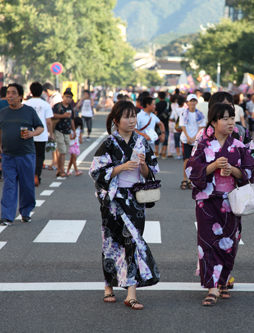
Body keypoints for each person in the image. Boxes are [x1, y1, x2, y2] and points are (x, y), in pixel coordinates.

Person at [89, 100, 160, 310]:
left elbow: (152, 172)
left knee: (133, 242)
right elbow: (96, 171)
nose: (132, 120)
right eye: (127, 116)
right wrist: (121, 167)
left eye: (134, 116)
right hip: (114, 199)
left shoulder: (143, 141)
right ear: (116, 120)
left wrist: (144, 165)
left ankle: (131, 292)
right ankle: (109, 284)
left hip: (135, 200)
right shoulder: (109, 143)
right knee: (112, 241)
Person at [186, 103, 254, 306]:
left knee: (229, 244)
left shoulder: (240, 146)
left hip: (231, 202)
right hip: (207, 202)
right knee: (207, 243)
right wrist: (213, 166)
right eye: (225, 118)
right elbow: (191, 170)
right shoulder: (203, 145)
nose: (230, 122)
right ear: (214, 122)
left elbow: (251, 170)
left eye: (232, 118)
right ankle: (212, 287)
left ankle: (223, 280)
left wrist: (234, 171)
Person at [0, 83, 44, 226]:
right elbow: (0, 130)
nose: (9, 95)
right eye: (8, 93)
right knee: (9, 185)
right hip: (8, 155)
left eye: (13, 93)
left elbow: (40, 127)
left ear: (20, 96)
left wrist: (32, 133)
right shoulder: (3, 112)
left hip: (26, 154)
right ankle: (7, 216)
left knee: (27, 185)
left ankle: (25, 212)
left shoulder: (29, 111)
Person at [23, 82, 54, 187]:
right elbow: (49, 121)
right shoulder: (45, 104)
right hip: (41, 134)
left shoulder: (26, 104)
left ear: (31, 92)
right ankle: (37, 175)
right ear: (42, 92)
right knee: (40, 157)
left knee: (28, 156)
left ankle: (29, 176)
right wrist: (51, 134)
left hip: (27, 134)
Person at [180, 94, 206, 190]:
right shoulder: (183, 113)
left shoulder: (200, 114)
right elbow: (182, 125)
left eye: (194, 101)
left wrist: (194, 137)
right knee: (186, 160)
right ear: (187, 102)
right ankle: (184, 179)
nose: (192, 103)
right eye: (191, 101)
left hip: (196, 140)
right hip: (185, 140)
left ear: (196, 102)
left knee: (194, 161)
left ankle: (191, 180)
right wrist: (188, 136)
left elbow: (201, 126)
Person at [52, 88, 75, 177]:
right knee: (62, 151)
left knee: (64, 151)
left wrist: (73, 130)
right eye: (67, 97)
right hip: (58, 130)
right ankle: (61, 170)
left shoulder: (70, 108)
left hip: (67, 132)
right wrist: (63, 116)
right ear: (63, 97)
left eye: (70, 97)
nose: (68, 99)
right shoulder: (58, 106)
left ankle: (59, 170)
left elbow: (72, 119)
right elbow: (52, 115)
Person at [154, 91, 170, 159]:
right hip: (166, 123)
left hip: (158, 122)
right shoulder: (167, 104)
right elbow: (169, 113)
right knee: (165, 138)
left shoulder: (157, 104)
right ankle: (164, 153)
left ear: (159, 97)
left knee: (157, 137)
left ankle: (156, 152)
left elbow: (155, 113)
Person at [169, 95, 184, 159]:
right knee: (183, 141)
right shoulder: (185, 110)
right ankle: (183, 153)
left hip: (176, 128)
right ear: (183, 103)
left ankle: (178, 154)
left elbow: (171, 119)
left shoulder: (175, 110)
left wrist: (176, 120)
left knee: (177, 141)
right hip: (183, 128)